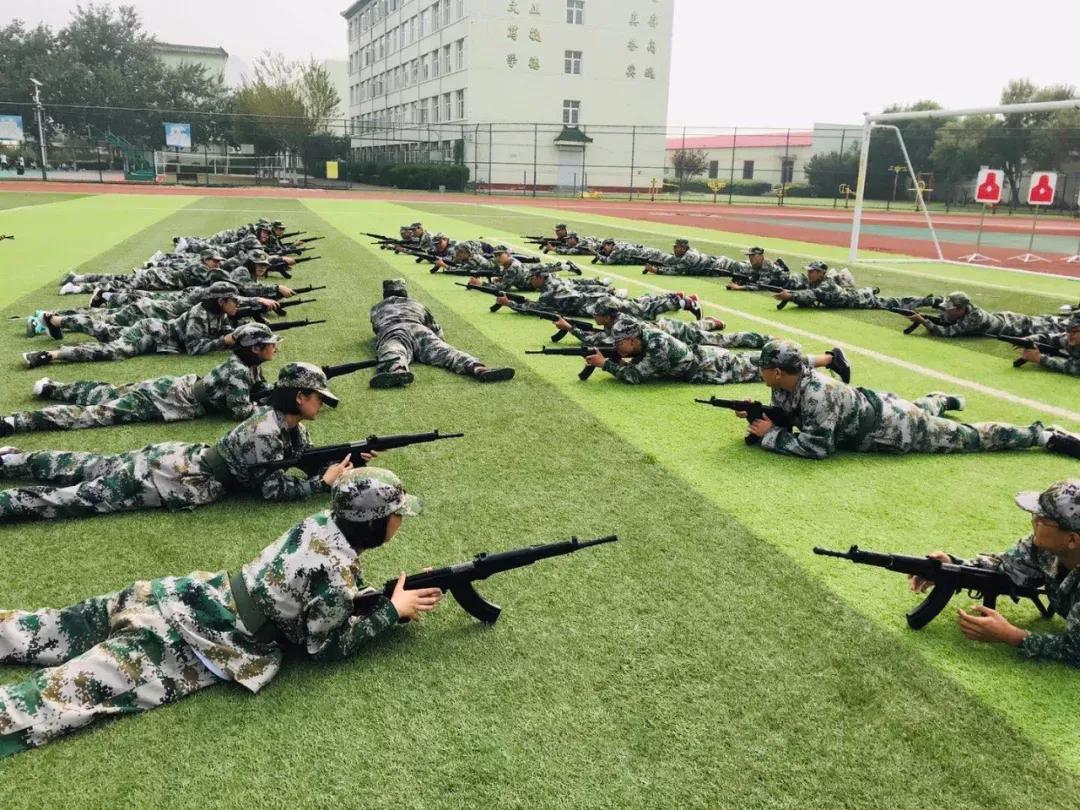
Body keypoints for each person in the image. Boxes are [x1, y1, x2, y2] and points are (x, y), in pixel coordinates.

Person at [0, 467, 441, 757]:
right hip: (194, 645)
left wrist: (371, 598)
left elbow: (304, 592)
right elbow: (325, 645)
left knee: (41, 628)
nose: (400, 522)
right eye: (396, 514)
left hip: (182, 593)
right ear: (373, 522)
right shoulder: (337, 570)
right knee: (58, 697)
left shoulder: (320, 523)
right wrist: (391, 612)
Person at [0, 362, 363, 522]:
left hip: (178, 457)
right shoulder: (267, 433)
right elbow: (270, 489)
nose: (323, 402)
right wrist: (319, 484)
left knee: (81, 463)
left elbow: (297, 456)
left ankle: (11, 461)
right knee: (77, 497)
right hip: (174, 479)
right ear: (300, 396)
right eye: (318, 396)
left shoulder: (283, 424)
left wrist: (348, 459)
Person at [740, 339, 1080, 460]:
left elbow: (818, 447)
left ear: (780, 372)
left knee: (969, 438)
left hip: (895, 428)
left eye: (764, 368)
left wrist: (771, 435)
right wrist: (766, 415)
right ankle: (940, 400)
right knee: (922, 410)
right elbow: (793, 413)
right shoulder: (786, 383)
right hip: (882, 408)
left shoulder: (817, 394)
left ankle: (1044, 435)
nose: (760, 372)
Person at [908, 480, 1079, 668]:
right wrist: (952, 567)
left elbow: (1075, 649)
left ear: (1071, 539)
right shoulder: (1043, 547)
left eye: (1043, 519)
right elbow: (1004, 566)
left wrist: (1013, 636)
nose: (1034, 521)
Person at [1, 323, 281, 435]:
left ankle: (52, 388)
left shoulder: (248, 364)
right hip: (169, 400)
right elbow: (240, 411)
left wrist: (276, 392)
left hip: (176, 386)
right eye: (270, 344)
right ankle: (17, 421)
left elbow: (260, 388)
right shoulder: (239, 371)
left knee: (108, 392)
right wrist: (274, 407)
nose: (275, 347)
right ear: (255, 348)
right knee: (99, 414)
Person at [21, 285, 246, 369]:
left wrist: (237, 336)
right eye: (233, 301)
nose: (237, 304)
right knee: (114, 351)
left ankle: (55, 320)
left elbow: (222, 332)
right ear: (221, 301)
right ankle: (49, 355)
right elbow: (194, 348)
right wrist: (223, 342)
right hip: (152, 335)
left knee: (104, 330)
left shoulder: (218, 315)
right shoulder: (199, 314)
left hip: (153, 329)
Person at [582, 317, 848, 386]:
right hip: (705, 360)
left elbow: (635, 377)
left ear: (631, 340)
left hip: (711, 366)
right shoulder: (644, 337)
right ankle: (826, 359)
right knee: (761, 363)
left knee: (768, 369)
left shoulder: (657, 346)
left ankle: (829, 359)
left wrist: (605, 364)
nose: (617, 347)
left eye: (619, 343)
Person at [369, 279, 515, 388]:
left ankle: (397, 370)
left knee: (393, 350)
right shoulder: (417, 304)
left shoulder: (376, 308)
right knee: (448, 352)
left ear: (385, 294)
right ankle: (478, 368)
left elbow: (377, 329)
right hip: (419, 329)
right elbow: (436, 328)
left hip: (394, 330)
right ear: (404, 292)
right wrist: (437, 342)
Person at [31, 282, 280, 342]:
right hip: (148, 312)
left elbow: (236, 307)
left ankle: (54, 318)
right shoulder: (206, 299)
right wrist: (257, 297)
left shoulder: (215, 305)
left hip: (153, 314)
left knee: (101, 320)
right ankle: (54, 319)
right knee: (101, 323)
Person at [555, 296, 770, 350]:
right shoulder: (615, 322)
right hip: (664, 328)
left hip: (671, 333)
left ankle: (765, 339)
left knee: (721, 341)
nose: (594, 317)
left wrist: (571, 329)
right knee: (695, 329)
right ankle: (709, 322)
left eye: (597, 314)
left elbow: (596, 339)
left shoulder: (619, 327)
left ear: (608, 316)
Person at [498, 265, 700, 320]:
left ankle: (685, 303)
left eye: (533, 278)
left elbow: (535, 308)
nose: (530, 281)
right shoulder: (554, 282)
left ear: (541, 277)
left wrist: (510, 303)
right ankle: (675, 298)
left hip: (598, 305)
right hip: (598, 300)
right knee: (638, 303)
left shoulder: (548, 292)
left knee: (642, 311)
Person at [775, 261, 940, 310]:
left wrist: (790, 296)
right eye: (809, 271)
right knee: (892, 300)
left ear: (820, 273)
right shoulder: (817, 283)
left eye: (812, 271)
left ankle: (929, 302)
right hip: (852, 295)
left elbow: (811, 296)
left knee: (896, 303)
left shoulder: (826, 285)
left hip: (861, 300)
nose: (809, 274)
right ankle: (872, 289)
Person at [907, 291, 1069, 338]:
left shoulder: (974, 318)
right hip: (1006, 317)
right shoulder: (962, 311)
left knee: (1059, 326)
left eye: (949, 309)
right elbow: (945, 320)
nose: (946, 311)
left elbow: (946, 332)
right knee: (1049, 320)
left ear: (960, 309)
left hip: (1017, 326)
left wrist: (923, 321)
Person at [1012, 314, 1080, 376]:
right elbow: (1050, 338)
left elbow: (1074, 369)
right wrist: (1030, 340)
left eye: (1074, 332)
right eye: (1068, 330)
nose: (1069, 335)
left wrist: (1039, 358)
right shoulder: (1069, 338)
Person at [642, 239, 732, 277]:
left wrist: (656, 270)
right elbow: (672, 259)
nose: (674, 249)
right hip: (718, 264)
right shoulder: (684, 254)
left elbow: (676, 270)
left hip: (723, 265)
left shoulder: (690, 257)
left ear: (683, 248)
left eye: (676, 247)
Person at [723, 247, 799, 290]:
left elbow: (760, 286)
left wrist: (739, 287)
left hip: (792, 282)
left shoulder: (766, 265)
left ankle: (782, 267)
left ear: (760, 256)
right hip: (776, 281)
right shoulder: (755, 266)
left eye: (753, 256)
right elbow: (752, 279)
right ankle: (781, 266)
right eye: (749, 256)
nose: (750, 259)